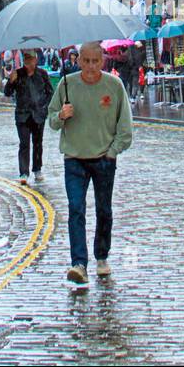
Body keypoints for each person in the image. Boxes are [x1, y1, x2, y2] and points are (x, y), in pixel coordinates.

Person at [48, 41, 134, 285]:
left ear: (103, 61)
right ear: (78, 60)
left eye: (95, 61)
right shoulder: (67, 85)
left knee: (103, 209)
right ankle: (79, 263)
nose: (90, 66)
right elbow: (52, 121)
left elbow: (125, 126)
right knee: (76, 209)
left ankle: (102, 256)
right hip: (74, 158)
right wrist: (61, 115)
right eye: (85, 61)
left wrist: (113, 152)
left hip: (103, 158)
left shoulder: (114, 85)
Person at [4, 50, 53, 186]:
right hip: (22, 115)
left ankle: (37, 169)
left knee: (38, 143)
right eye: (26, 58)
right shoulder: (18, 74)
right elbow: (7, 93)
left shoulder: (42, 74)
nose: (28, 61)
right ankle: (23, 172)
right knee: (24, 144)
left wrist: (44, 107)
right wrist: (10, 81)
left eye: (30, 59)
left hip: (38, 114)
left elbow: (50, 92)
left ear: (35, 60)